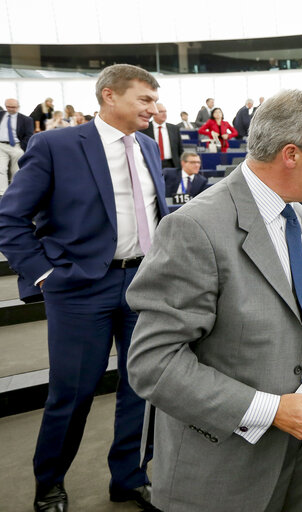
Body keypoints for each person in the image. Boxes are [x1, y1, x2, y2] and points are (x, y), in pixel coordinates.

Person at [126, 89, 302, 511]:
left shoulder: (294, 211)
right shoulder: (194, 229)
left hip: (300, 454)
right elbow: (154, 363)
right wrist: (270, 410)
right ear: (291, 155)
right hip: (225, 471)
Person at [0, 64, 168, 512]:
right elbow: (10, 217)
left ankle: (129, 476)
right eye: (145, 100)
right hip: (79, 289)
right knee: (72, 393)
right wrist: (44, 274)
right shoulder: (55, 145)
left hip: (144, 283)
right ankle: (49, 483)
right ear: (109, 96)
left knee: (142, 386)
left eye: (155, 100)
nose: (154, 108)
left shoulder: (150, 147)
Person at [0, 98, 34, 194]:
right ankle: (2, 193)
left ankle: (15, 191)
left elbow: (29, 135)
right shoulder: (0, 115)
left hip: (16, 146)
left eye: (13, 107)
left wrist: (22, 147)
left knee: (16, 170)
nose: (10, 109)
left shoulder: (26, 119)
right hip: (1, 146)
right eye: (8, 107)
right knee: (1, 169)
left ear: (18, 107)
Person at [140, 102, 183, 168]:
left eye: (165, 111)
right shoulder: (144, 129)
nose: (164, 114)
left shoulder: (174, 128)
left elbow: (180, 149)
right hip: (152, 165)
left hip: (172, 165)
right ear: (153, 113)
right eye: (161, 112)